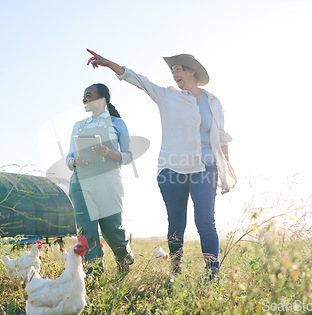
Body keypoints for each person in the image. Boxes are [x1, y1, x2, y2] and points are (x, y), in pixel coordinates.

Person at [86, 49, 237, 282]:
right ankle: (175, 273)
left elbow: (221, 137)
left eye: (178, 68)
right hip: (172, 169)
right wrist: (108, 64)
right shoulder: (167, 96)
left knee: (205, 220)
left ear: (192, 71)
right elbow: (137, 78)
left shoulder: (213, 102)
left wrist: (224, 171)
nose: (174, 73)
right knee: (177, 223)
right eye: (172, 70)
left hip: (205, 167)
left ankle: (211, 276)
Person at [66, 83, 134, 277]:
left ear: (102, 98)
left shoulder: (117, 124)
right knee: (86, 230)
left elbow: (128, 156)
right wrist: (74, 161)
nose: (84, 99)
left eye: (88, 95)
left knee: (111, 229)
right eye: (83, 96)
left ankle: (124, 256)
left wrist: (110, 153)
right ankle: (94, 274)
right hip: (81, 179)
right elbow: (69, 156)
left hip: (108, 179)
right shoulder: (78, 126)